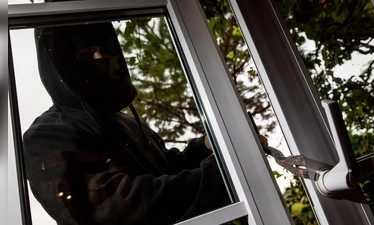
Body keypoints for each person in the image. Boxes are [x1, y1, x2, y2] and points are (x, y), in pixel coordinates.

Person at [23, 22, 269, 225]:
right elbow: (118, 210)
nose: (102, 61)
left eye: (108, 53)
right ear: (60, 68)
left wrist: (206, 145)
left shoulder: (126, 123)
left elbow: (168, 170)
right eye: (85, 55)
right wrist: (229, 169)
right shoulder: (48, 136)